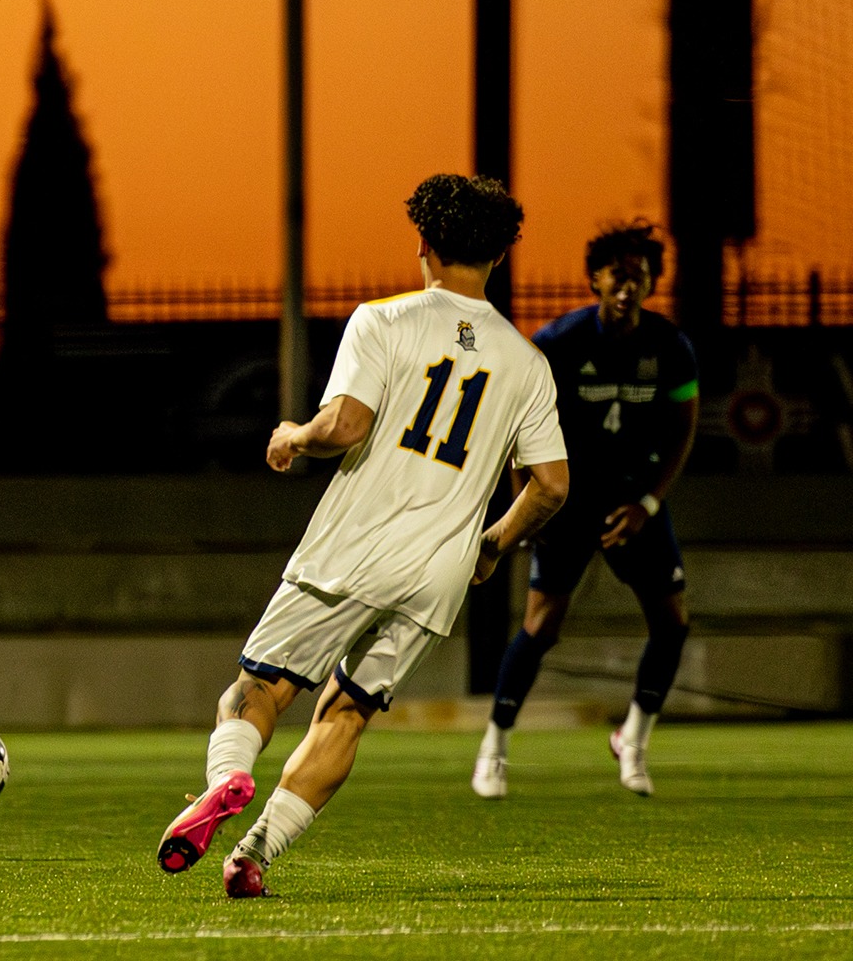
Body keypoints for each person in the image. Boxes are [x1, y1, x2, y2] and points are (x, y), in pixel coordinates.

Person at [155, 174, 569, 899]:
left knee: (258, 689)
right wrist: (492, 545)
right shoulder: (527, 362)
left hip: (353, 550)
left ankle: (228, 780)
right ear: (500, 254)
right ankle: (254, 856)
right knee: (346, 713)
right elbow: (552, 486)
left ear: (424, 243)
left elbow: (345, 426)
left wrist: (293, 435)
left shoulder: (384, 321)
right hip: (437, 576)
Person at [471, 221, 698, 799]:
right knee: (541, 626)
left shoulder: (670, 346)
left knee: (672, 625)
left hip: (634, 505)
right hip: (567, 501)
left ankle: (633, 740)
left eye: (638, 276)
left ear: (651, 283)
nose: (628, 286)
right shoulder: (558, 342)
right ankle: (494, 747)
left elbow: (682, 430)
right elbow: (517, 426)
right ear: (595, 279)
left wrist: (648, 501)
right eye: (617, 275)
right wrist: (528, 506)